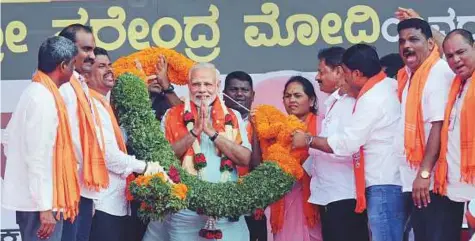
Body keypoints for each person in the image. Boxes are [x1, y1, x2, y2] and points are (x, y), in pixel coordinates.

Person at [292, 44, 405, 241]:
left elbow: (346, 144)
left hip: (376, 185)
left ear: (356, 74)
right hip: (369, 185)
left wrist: (308, 140)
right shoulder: (384, 87)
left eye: (344, 72)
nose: (343, 77)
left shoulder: (369, 99)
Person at [143, 63, 252, 241]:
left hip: (226, 210)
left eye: (208, 84)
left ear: (217, 86)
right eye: (196, 84)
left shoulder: (233, 116)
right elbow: (161, 159)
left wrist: (212, 133)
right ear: (189, 86)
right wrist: (194, 133)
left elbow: (245, 158)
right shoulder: (171, 115)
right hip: (184, 212)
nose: (202, 90)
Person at [2, 36, 79, 241]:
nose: (74, 71)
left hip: (35, 201)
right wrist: (44, 207)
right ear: (63, 66)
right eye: (73, 65)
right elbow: (37, 157)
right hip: (40, 207)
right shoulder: (43, 99)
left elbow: (9, 142)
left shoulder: (34, 92)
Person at [84, 47, 163, 241]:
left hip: (116, 203)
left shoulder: (104, 104)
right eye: (101, 66)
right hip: (102, 204)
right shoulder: (91, 106)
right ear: (85, 75)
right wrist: (146, 167)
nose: (109, 70)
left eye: (110, 65)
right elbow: (109, 156)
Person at [395, 18, 455, 241]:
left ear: (431, 44)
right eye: (401, 41)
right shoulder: (411, 75)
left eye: (413, 39)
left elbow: (438, 126)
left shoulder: (436, 73)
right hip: (419, 181)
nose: (406, 46)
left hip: (434, 182)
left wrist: (424, 173)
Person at [306, 47, 370, 241]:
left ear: (339, 71)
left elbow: (345, 146)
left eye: (321, 71)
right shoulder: (335, 103)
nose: (317, 77)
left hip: (344, 198)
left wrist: (308, 140)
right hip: (329, 197)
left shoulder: (351, 104)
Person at [435, 29, 475, 241]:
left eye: (462, 52)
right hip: (458, 182)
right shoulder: (458, 85)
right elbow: (446, 44)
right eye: (450, 56)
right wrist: (423, 25)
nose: (456, 59)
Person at [270, 75, 321, 241]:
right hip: (286, 199)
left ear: (312, 100)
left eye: (297, 95)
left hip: (316, 199)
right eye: (287, 96)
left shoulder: (323, 124)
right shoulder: (277, 129)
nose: (291, 100)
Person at [223, 71, 267, 241]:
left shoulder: (265, 124)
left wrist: (256, 130)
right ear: (224, 93)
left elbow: (258, 168)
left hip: (253, 204)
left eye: (244, 90)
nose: (239, 94)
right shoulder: (213, 122)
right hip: (222, 202)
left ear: (253, 94)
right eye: (234, 89)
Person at [145, 55, 183, 121]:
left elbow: (184, 117)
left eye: (160, 75)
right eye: (151, 73)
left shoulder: (169, 102)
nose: (156, 79)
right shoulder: (128, 98)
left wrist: (166, 86)